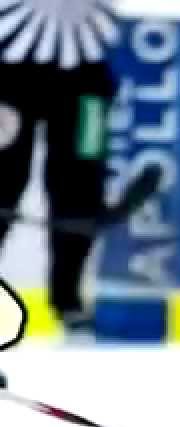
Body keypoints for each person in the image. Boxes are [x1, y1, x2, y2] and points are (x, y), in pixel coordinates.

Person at [0, 0, 120, 339]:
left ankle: (68, 298)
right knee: (3, 184)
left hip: (87, 71)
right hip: (7, 70)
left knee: (80, 189)